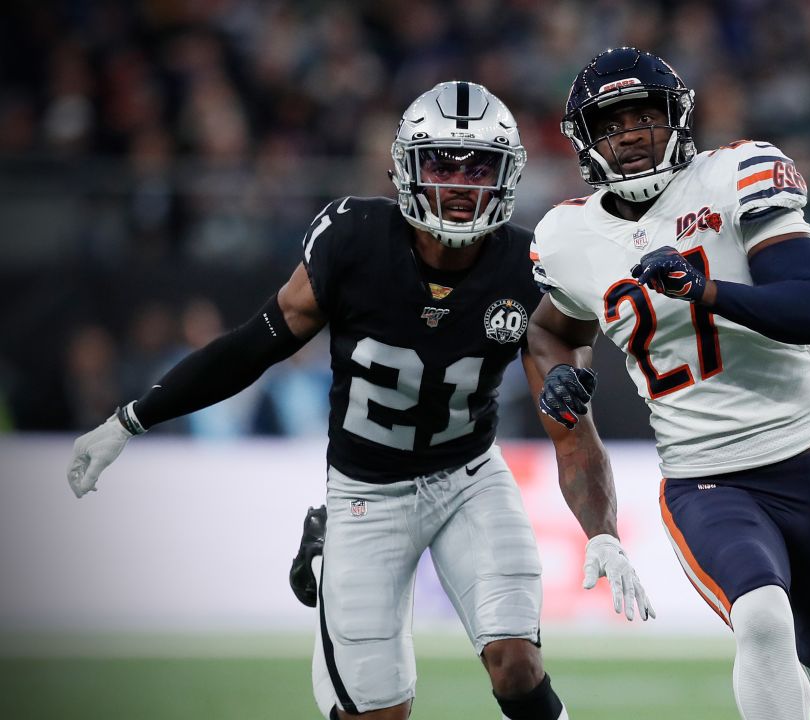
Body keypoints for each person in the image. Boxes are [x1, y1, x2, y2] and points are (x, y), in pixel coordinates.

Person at [65, 81, 653, 720]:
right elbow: (250, 347)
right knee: (380, 713)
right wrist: (132, 418)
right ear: (407, 168)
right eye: (442, 164)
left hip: (468, 477)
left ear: (507, 173)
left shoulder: (527, 263)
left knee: (517, 661)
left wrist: (602, 532)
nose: (461, 183)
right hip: (366, 492)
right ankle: (328, 559)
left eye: (479, 165)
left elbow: (569, 420)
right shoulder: (355, 239)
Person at [526, 47, 810, 720]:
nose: (629, 134)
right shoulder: (568, 237)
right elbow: (549, 332)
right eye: (611, 122)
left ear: (677, 119)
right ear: (584, 141)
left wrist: (706, 291)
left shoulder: (734, 176)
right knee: (764, 620)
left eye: (642, 115)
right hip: (706, 476)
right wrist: (561, 381)